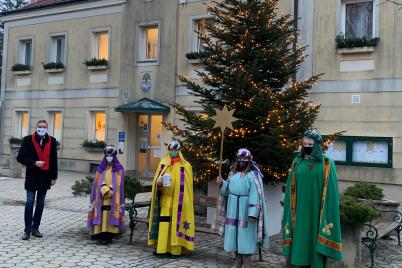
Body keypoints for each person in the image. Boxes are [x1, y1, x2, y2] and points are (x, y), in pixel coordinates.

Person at [282, 130, 343, 268]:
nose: (307, 146)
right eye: (304, 143)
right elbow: (290, 187)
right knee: (300, 238)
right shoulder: (297, 161)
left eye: (310, 144)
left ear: (317, 145)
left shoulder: (327, 163)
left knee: (314, 240)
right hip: (299, 210)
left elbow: (331, 192)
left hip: (317, 211)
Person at [214, 148, 269, 268]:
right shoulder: (233, 174)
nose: (242, 161)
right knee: (234, 234)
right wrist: (223, 183)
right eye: (240, 158)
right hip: (233, 209)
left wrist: (253, 212)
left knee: (245, 236)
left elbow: (255, 195)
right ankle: (237, 261)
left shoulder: (253, 176)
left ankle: (246, 263)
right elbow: (227, 191)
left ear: (249, 161)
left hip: (245, 210)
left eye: (244, 159)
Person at [148, 140, 195, 258]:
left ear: (179, 151)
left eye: (175, 150)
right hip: (165, 199)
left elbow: (188, 188)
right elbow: (156, 183)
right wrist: (158, 185)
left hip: (178, 201)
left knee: (176, 225)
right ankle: (162, 249)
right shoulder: (163, 164)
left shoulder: (186, 166)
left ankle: (175, 251)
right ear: (168, 150)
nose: (173, 152)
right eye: (171, 150)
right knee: (164, 224)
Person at [17, 120, 58, 240]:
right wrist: (34, 162)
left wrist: (54, 177)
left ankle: (35, 228)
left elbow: (54, 159)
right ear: (36, 128)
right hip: (32, 176)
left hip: (45, 177)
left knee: (40, 204)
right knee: (30, 202)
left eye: (44, 127)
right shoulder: (28, 140)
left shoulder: (52, 141)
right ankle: (27, 230)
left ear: (47, 128)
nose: (42, 128)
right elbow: (20, 157)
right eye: (40, 127)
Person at [87, 145, 125, 245]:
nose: (109, 157)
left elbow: (119, 183)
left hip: (113, 197)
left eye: (111, 155)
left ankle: (108, 236)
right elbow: (97, 182)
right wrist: (104, 189)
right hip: (101, 197)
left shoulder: (119, 169)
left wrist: (111, 190)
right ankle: (100, 234)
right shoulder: (101, 168)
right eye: (107, 155)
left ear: (114, 156)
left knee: (109, 215)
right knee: (101, 214)